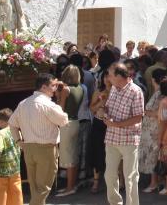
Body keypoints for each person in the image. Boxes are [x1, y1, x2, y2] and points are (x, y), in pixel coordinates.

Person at [9, 73, 69, 205]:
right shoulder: (47, 104)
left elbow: (12, 123)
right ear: (43, 87)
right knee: (42, 188)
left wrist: (19, 141)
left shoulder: (23, 103)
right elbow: (64, 120)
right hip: (45, 149)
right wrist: (61, 97)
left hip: (29, 148)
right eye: (53, 85)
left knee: (35, 187)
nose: (55, 88)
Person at [103, 62, 145, 205]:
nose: (108, 78)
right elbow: (108, 108)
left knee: (130, 177)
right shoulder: (114, 88)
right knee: (109, 175)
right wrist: (104, 112)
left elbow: (138, 117)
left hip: (129, 139)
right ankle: (115, 203)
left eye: (110, 75)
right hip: (112, 138)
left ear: (119, 76)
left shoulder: (136, 91)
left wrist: (116, 124)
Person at [55, 65, 85, 197]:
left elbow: (60, 109)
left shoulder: (66, 89)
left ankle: (70, 187)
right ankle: (72, 185)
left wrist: (57, 96)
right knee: (73, 156)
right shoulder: (81, 88)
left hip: (67, 124)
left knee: (68, 159)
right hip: (76, 122)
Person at [139, 68, 167, 193]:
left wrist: (146, 112)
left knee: (154, 156)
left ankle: (154, 182)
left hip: (154, 130)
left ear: (153, 79)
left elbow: (159, 113)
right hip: (151, 130)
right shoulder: (158, 93)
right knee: (154, 156)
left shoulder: (160, 94)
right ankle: (157, 182)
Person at [0, 108, 23, 205]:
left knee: (0, 193)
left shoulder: (0, 134)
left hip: (2, 170)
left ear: (0, 121)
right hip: (15, 169)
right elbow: (21, 147)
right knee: (16, 193)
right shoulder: (17, 131)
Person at [89, 73, 112, 194]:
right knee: (97, 151)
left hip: (113, 124)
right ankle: (96, 181)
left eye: (109, 76)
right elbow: (92, 109)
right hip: (99, 123)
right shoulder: (98, 92)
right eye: (105, 76)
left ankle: (118, 181)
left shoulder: (117, 92)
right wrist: (100, 103)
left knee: (113, 153)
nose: (107, 79)